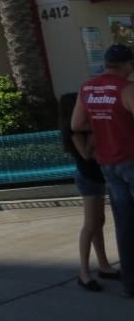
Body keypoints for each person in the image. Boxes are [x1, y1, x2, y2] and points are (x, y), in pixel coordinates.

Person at [73, 42, 134, 298]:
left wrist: (102, 125)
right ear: (124, 65)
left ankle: (130, 284)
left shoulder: (87, 87)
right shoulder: (127, 89)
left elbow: (77, 123)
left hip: (108, 164)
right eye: (131, 64)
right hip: (131, 160)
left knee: (125, 225)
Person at [61, 92, 120, 291]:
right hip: (88, 178)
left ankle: (104, 265)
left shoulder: (79, 126)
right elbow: (86, 154)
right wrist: (95, 134)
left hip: (95, 176)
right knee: (90, 225)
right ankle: (84, 273)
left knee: (98, 223)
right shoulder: (72, 128)